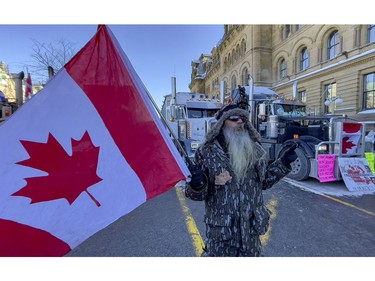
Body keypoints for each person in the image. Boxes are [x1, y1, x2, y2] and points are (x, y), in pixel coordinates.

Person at [185, 104, 298, 257]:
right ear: (221, 123)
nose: (240, 122)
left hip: (251, 233)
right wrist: (198, 184)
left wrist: (284, 162)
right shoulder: (206, 152)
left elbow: (264, 182)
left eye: (243, 118)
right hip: (222, 234)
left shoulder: (256, 150)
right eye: (234, 118)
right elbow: (196, 194)